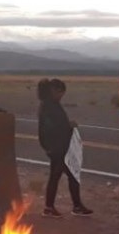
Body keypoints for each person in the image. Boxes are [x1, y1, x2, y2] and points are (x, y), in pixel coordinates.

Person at [36, 78, 93, 218]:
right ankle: (62, 207)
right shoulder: (49, 106)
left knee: (62, 176)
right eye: (61, 92)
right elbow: (52, 127)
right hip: (57, 147)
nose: (62, 96)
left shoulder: (50, 104)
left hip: (58, 146)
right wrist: (69, 125)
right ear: (55, 90)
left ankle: (69, 206)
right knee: (64, 176)